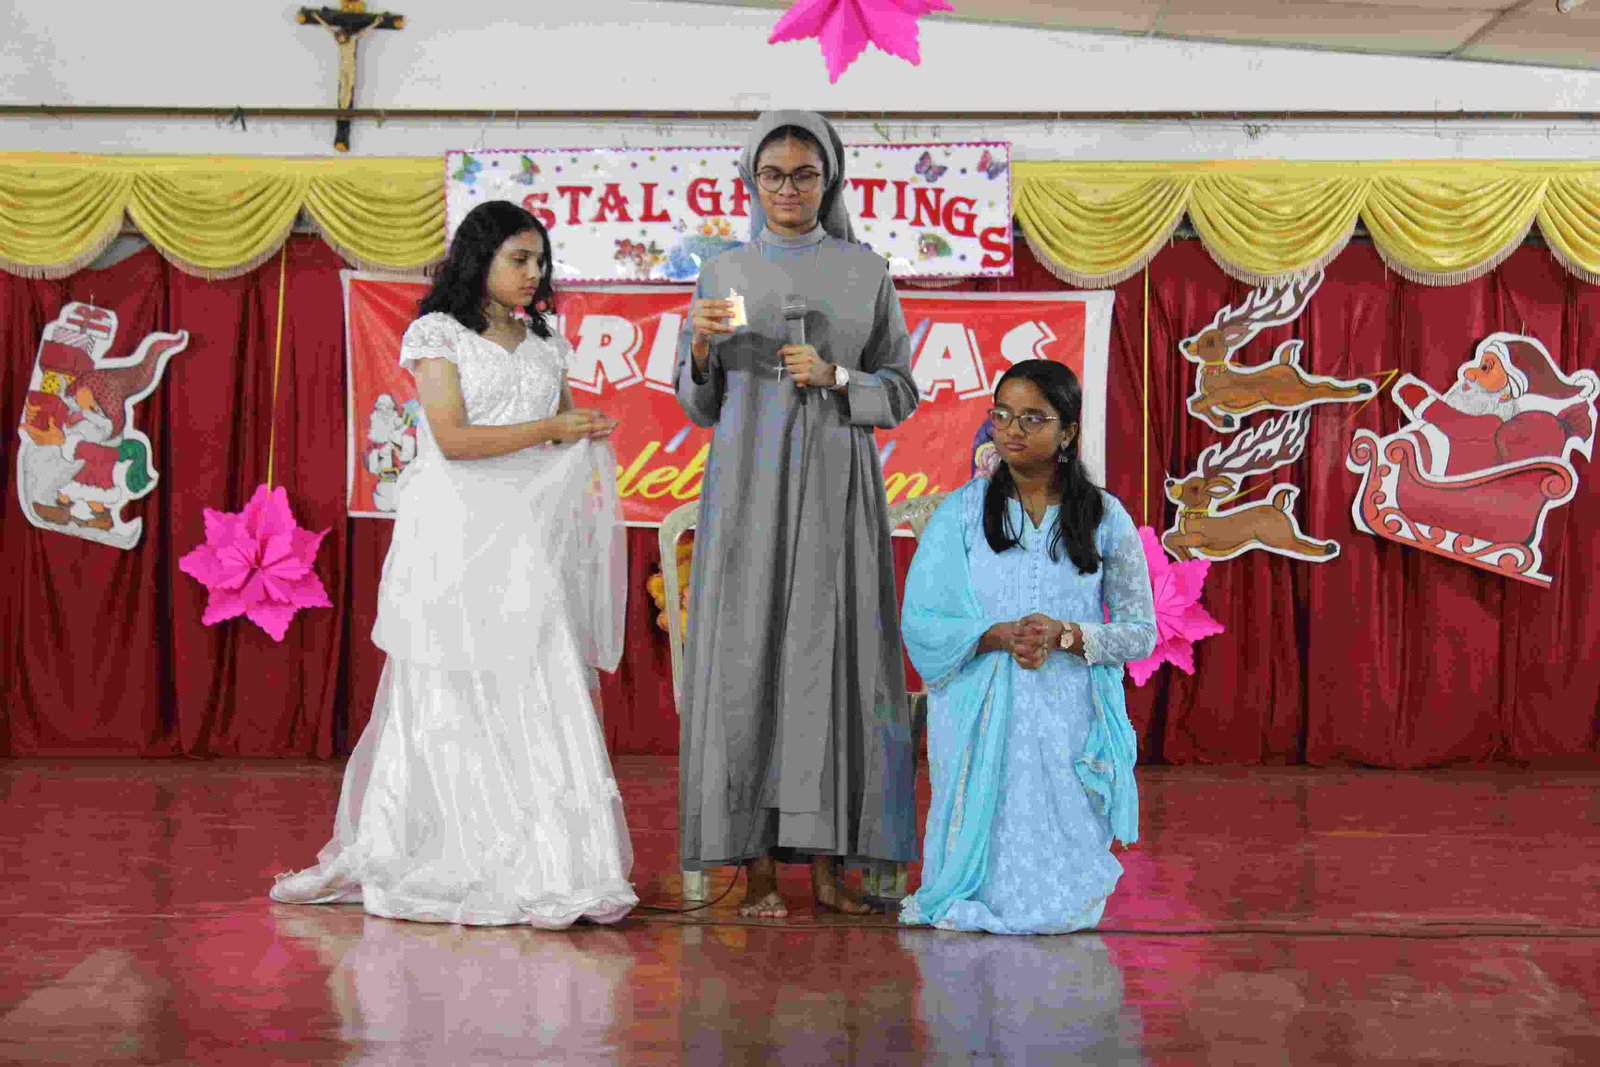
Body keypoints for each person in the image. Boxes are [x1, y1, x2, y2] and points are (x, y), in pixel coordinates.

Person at [270, 201, 637, 927]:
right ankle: (436, 850)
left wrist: (581, 431)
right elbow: (454, 439)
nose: (533, 273)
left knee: (535, 679)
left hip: (526, 537)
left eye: (540, 261)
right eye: (519, 259)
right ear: (480, 259)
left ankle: (549, 861)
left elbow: (555, 433)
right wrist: (553, 425)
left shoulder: (545, 338)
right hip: (456, 532)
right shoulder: (437, 333)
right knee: (448, 685)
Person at [674, 109, 920, 918]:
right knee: (749, 658)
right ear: (752, 180)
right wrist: (700, 349)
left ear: (830, 179)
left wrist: (838, 377)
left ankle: (826, 869)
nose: (788, 188)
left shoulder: (865, 270)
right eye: (773, 174)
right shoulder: (723, 271)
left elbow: (901, 390)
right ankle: (755, 870)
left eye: (805, 174)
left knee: (832, 658)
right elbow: (699, 404)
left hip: (837, 492)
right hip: (748, 487)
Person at [899, 360, 1157, 934]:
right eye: (1003, 415)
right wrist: (996, 635)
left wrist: (1069, 635)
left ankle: (1059, 895)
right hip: (980, 703)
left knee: (1064, 890)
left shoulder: (1105, 516)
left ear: (1067, 432)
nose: (1012, 430)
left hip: (1070, 709)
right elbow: (923, 621)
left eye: (1033, 418)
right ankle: (974, 889)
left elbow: (1141, 632)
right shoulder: (962, 513)